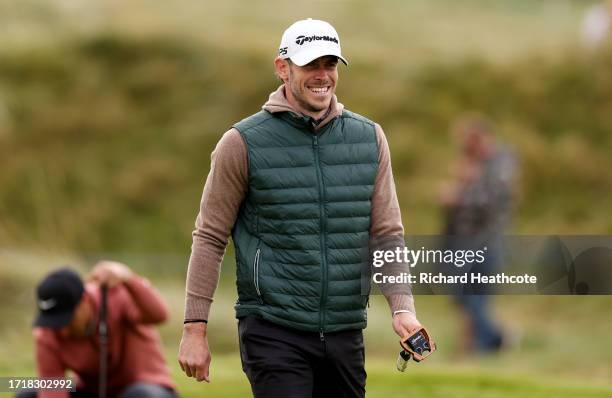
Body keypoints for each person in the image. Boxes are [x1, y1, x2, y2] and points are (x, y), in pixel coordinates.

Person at [178, 18, 426, 397]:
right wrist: (194, 328)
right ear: (283, 68)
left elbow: (386, 234)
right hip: (273, 328)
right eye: (311, 64)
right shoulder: (241, 142)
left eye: (330, 64)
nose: (322, 75)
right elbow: (210, 238)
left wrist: (402, 308)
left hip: (345, 330)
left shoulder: (369, 137)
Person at [17, 262, 178, 398]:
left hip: (150, 390)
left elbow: (159, 315)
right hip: (93, 392)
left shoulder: (115, 296)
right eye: (55, 321)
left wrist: (128, 278)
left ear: (84, 302)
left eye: (67, 320)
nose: (62, 330)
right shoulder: (47, 332)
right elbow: (52, 389)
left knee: (138, 395)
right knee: (26, 393)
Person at [440, 115, 517, 353]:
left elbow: (491, 202)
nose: (467, 149)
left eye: (471, 142)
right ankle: (494, 340)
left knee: (475, 298)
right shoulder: (476, 164)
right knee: (464, 296)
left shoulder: (500, 164)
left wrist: (458, 195)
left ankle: (488, 346)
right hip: (463, 243)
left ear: (483, 138)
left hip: (486, 242)